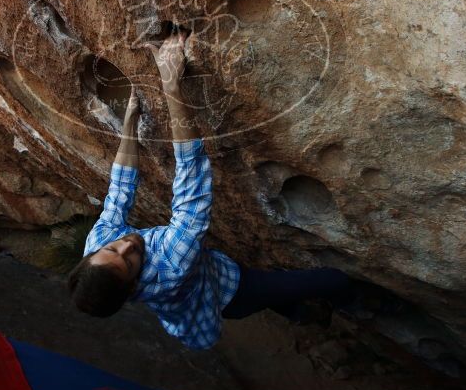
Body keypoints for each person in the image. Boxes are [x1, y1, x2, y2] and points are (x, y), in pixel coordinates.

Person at [68, 28, 353, 350]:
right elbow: (191, 181)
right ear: (133, 286)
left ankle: (296, 311)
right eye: (131, 261)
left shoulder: (99, 246)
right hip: (232, 289)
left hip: (204, 285)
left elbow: (120, 188)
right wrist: (172, 85)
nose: (127, 245)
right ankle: (357, 303)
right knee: (331, 281)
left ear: (92, 254)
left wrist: (130, 124)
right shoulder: (171, 266)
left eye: (111, 249)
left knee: (278, 298)